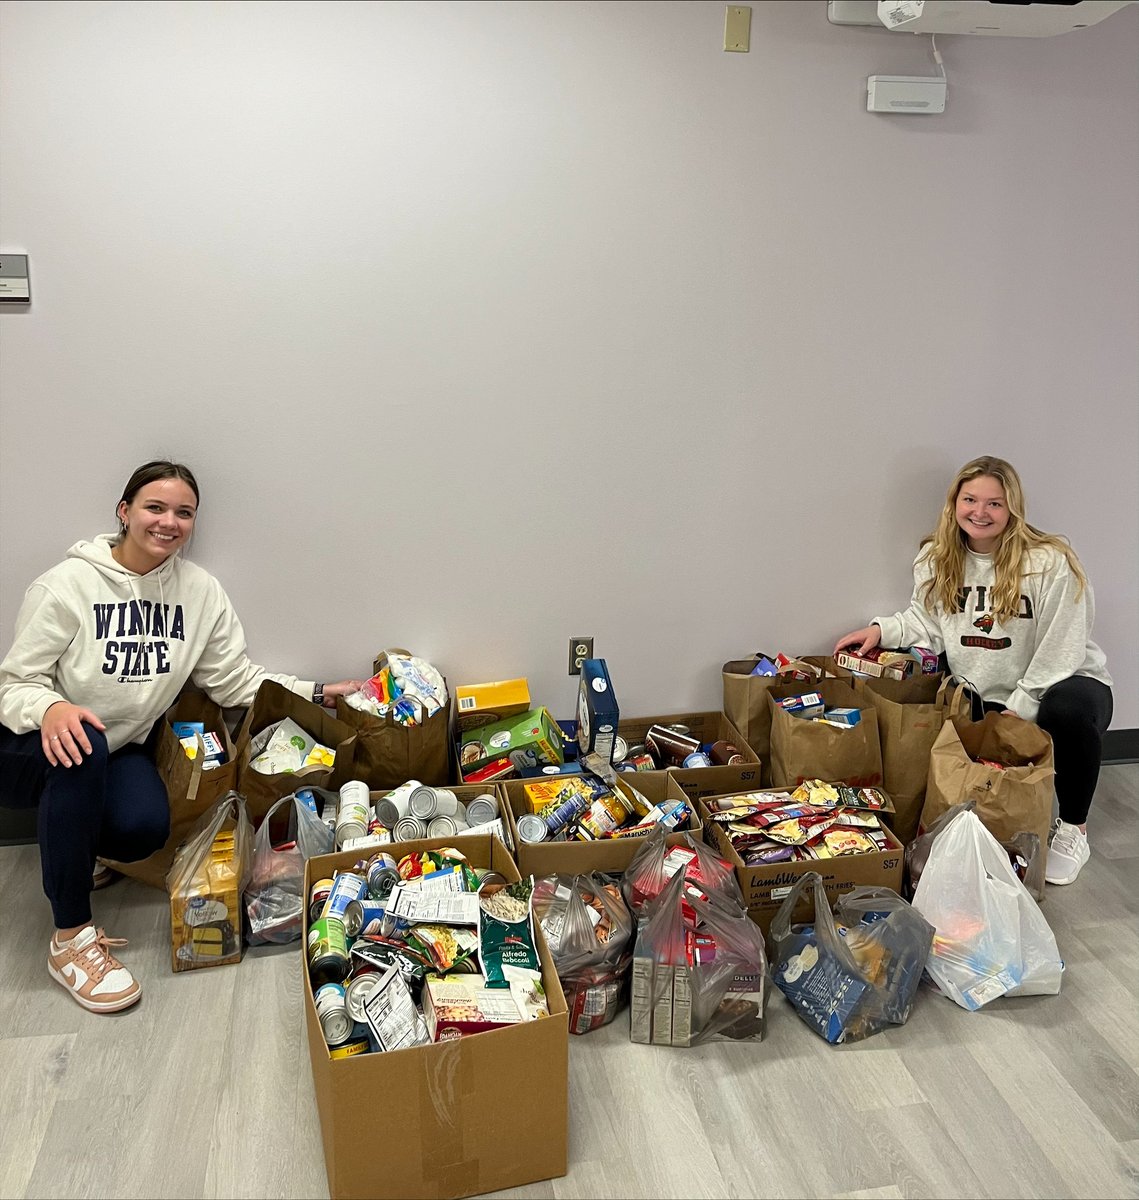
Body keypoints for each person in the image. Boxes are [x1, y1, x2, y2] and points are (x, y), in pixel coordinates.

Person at [0, 460, 364, 1014]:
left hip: (117, 747)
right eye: (155, 507)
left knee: (144, 828)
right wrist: (50, 707)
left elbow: (234, 679)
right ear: (124, 512)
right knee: (83, 744)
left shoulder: (198, 592)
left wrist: (315, 692)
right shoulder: (65, 585)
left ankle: (78, 844)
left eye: (184, 512)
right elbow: (14, 683)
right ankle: (70, 938)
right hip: (34, 742)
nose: (169, 522)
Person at [833, 455, 1112, 887]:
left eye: (995, 504)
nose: (980, 513)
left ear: (1013, 508)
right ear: (955, 503)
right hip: (987, 691)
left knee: (1068, 711)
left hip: (1064, 683)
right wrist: (879, 630)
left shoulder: (1049, 560)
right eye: (970, 500)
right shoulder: (937, 556)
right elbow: (926, 623)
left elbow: (1064, 645)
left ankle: (1074, 828)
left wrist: (1024, 702)